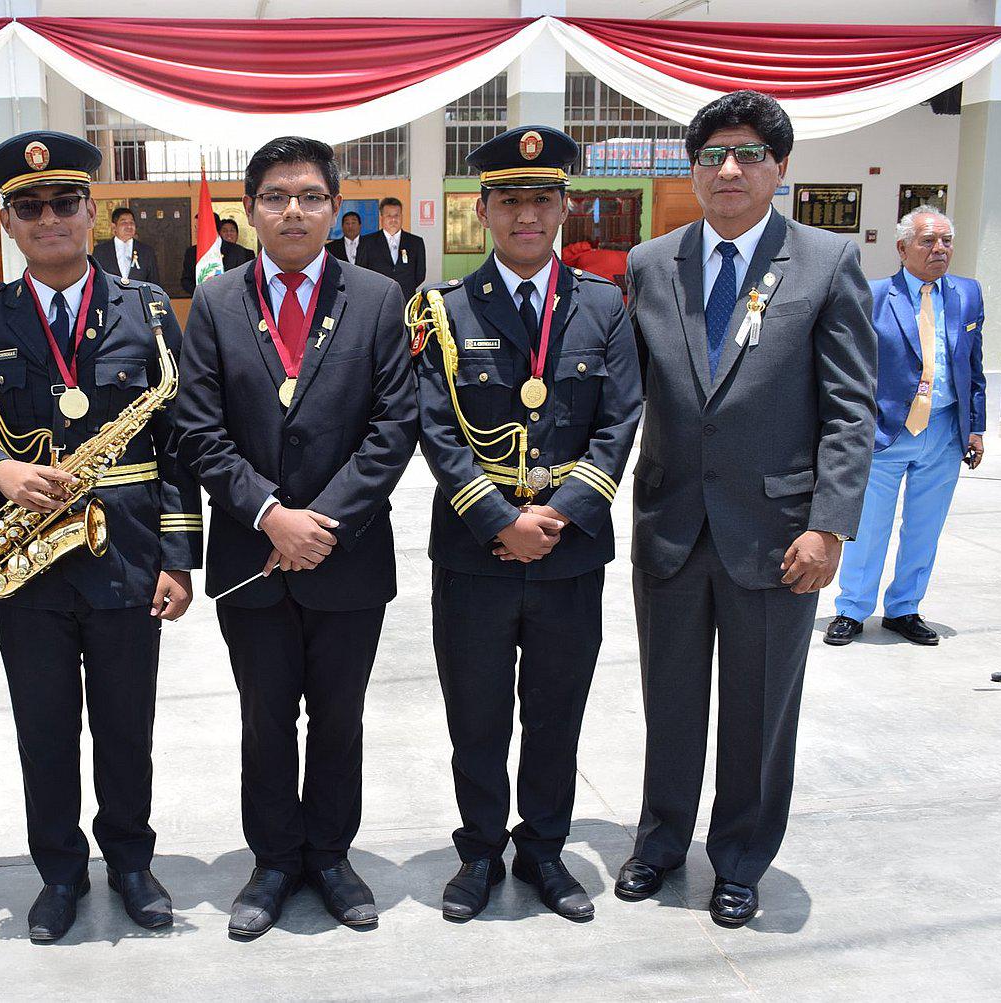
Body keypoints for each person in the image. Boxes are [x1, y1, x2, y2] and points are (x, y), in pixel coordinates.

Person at [619, 90, 877, 928]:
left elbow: (850, 406)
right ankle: (660, 843)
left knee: (760, 708)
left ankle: (739, 857)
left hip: (777, 536)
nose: (729, 169)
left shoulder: (827, 262)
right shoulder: (653, 264)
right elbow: (624, 395)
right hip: (671, 529)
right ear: (693, 171)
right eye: (712, 156)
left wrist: (830, 522)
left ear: (780, 169)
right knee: (671, 699)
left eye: (748, 154)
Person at [0, 131, 202, 943]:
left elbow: (179, 440)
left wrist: (178, 557)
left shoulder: (149, 308)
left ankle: (131, 860)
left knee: (128, 722)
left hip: (127, 554)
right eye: (31, 207)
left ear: (93, 212)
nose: (50, 217)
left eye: (65, 202)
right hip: (27, 561)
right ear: (11, 224)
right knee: (45, 726)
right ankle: (59, 871)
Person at [175, 136, 417, 939]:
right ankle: (275, 859)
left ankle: (332, 855)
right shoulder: (214, 302)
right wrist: (269, 514)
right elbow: (199, 430)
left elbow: (393, 427)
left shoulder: (381, 299)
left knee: (339, 716)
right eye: (275, 196)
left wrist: (323, 523)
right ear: (251, 211)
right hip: (252, 558)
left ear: (333, 207)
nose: (292, 210)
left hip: (347, 558)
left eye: (310, 196)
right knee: (265, 715)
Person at [417, 127, 642, 923]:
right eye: (508, 199)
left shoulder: (606, 306)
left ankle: (544, 850)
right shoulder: (444, 310)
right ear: (482, 210)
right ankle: (479, 851)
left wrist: (557, 514)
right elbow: (436, 428)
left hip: (567, 556)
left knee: (556, 711)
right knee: (475, 714)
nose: (525, 214)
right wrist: (497, 519)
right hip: (477, 557)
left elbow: (620, 423)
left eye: (540, 198)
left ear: (562, 206)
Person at [826, 207, 986, 646]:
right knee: (868, 527)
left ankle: (904, 608)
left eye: (947, 241)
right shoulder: (875, 295)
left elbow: (973, 366)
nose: (940, 249)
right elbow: (852, 366)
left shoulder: (967, 294)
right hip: (886, 433)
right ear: (902, 248)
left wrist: (976, 426)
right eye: (928, 241)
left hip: (943, 432)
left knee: (925, 526)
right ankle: (853, 609)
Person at [355, 196, 426, 301]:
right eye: (389, 216)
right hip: (377, 298)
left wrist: (404, 286)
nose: (393, 219)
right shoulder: (367, 242)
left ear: (401, 216)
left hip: (405, 299)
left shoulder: (415, 242)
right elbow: (361, 272)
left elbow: (420, 274)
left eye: (396, 215)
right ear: (381, 217)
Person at [180, 216, 254, 296]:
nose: (195, 231)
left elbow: (243, 280)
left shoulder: (237, 251)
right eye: (195, 227)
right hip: (202, 302)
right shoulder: (191, 252)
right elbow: (186, 281)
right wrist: (202, 294)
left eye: (199, 227)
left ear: (212, 227)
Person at [93, 207, 162, 287]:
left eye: (132, 223)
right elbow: (96, 281)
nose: (129, 226)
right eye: (124, 223)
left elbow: (154, 283)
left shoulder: (146, 251)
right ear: (114, 226)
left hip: (138, 298)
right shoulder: (101, 251)